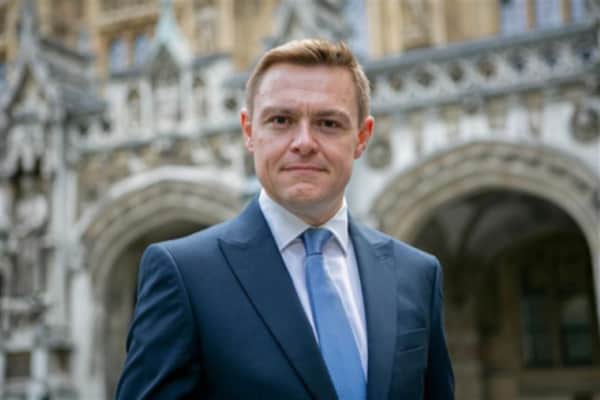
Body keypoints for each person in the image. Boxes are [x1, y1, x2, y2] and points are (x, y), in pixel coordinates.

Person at [116, 38, 454, 399]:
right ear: (249, 131)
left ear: (362, 137)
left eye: (328, 123)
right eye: (281, 120)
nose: (304, 142)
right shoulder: (184, 275)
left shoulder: (416, 274)